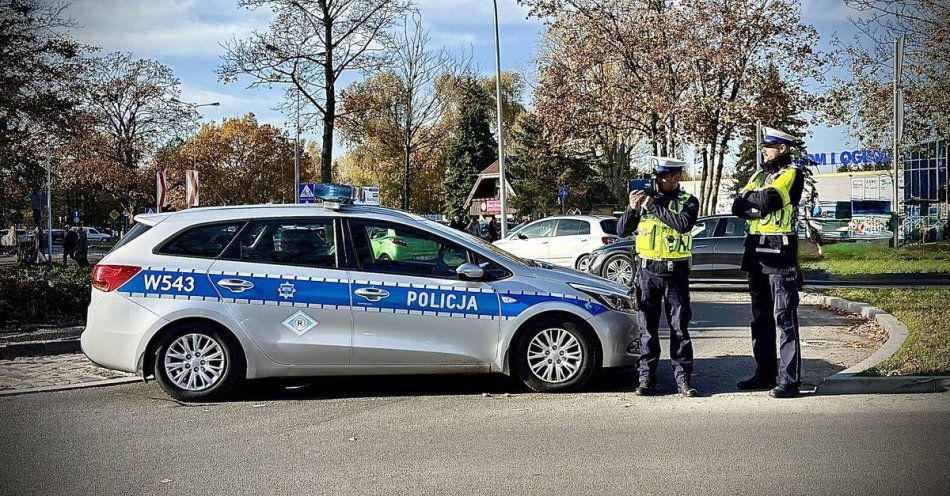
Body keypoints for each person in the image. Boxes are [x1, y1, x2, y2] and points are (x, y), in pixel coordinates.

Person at [731, 127, 805, 399]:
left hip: (779, 251)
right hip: (755, 251)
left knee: (784, 318)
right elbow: (737, 205)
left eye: (769, 146)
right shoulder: (759, 174)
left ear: (783, 148)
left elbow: (770, 200)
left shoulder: (792, 173)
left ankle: (789, 381)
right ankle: (764, 373)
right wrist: (752, 202)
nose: (764, 150)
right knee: (760, 319)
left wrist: (753, 201)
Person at [617, 157, 700, 398]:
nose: (657, 181)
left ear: (675, 178)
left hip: (676, 274)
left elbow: (683, 224)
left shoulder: (688, 202)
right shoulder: (644, 202)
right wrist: (632, 208)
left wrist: (653, 205)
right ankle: (646, 380)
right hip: (647, 273)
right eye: (656, 177)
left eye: (663, 177)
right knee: (648, 332)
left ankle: (683, 380)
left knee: (680, 330)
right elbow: (621, 230)